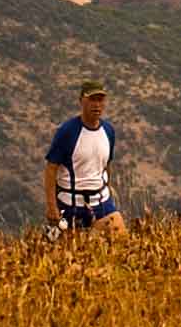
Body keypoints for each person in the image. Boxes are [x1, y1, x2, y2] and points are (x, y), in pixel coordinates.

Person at [44, 80, 127, 238]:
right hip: (69, 205)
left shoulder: (108, 131)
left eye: (100, 100)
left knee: (123, 243)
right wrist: (51, 207)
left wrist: (108, 188)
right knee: (61, 257)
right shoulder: (67, 132)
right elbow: (51, 168)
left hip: (101, 202)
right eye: (92, 100)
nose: (97, 105)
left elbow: (106, 164)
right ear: (81, 101)